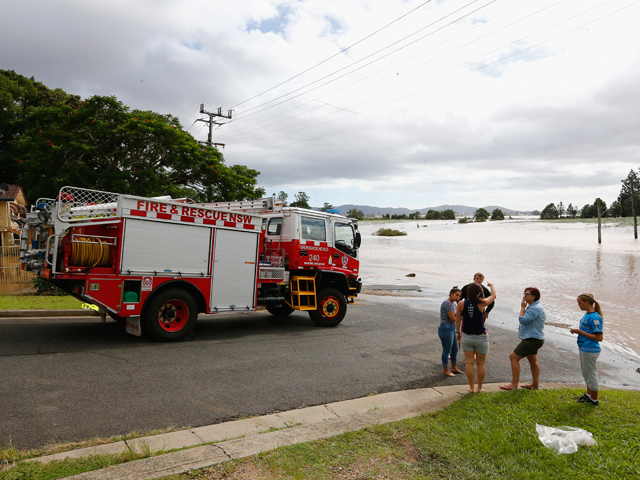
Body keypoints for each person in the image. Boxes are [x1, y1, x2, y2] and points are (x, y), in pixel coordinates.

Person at [500, 287, 546, 391]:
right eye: (524, 294)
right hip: (535, 338)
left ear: (534, 296)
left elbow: (523, 320)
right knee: (532, 360)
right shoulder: (534, 306)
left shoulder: (535, 308)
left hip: (532, 339)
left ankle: (514, 385)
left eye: (527, 294)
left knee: (513, 357)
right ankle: (535, 385)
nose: (524, 296)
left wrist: (522, 308)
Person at [456, 282, 496, 393]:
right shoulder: (482, 302)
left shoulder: (461, 304)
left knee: (469, 363)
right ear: (479, 293)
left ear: (467, 292)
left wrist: (458, 332)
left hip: (467, 336)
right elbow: (493, 296)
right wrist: (492, 286)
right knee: (480, 364)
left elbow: (458, 319)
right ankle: (480, 388)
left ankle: (471, 387)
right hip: (480, 337)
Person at [570, 293, 604, 406]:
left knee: (591, 374)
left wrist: (580, 332)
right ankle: (589, 395)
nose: (578, 305)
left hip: (590, 349)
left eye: (579, 303)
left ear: (587, 302)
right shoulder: (588, 315)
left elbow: (599, 337)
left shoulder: (595, 318)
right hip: (584, 347)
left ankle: (594, 399)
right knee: (586, 373)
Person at [439, 287, 464, 377]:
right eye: (456, 295)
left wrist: (458, 331)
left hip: (452, 328)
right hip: (445, 328)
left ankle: (454, 367)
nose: (458, 297)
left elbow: (457, 317)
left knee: (455, 349)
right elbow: (453, 318)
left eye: (459, 296)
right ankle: (445, 369)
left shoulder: (454, 304)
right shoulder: (447, 303)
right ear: (451, 294)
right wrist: (460, 317)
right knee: (446, 350)